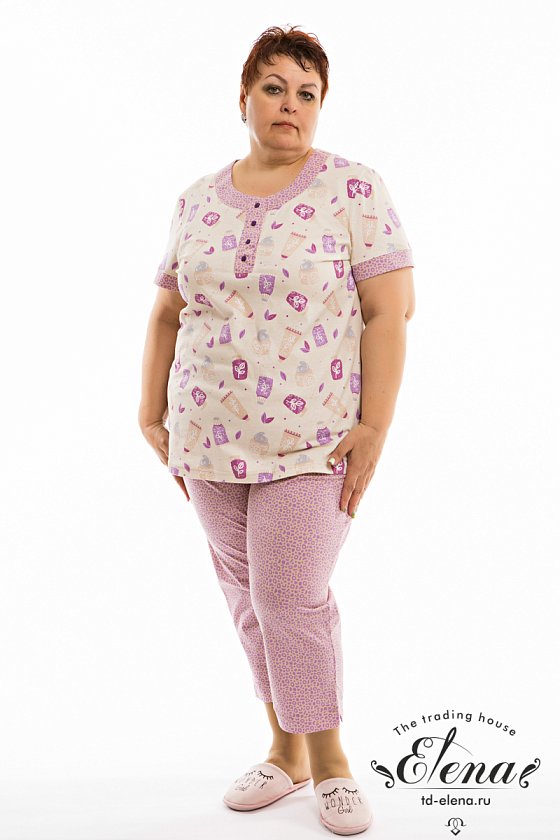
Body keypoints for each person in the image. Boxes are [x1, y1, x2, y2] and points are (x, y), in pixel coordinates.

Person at [138, 23, 415, 836]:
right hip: (206, 439)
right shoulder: (196, 199)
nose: (290, 104)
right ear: (244, 97)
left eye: (307, 92)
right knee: (249, 601)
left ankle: (330, 762)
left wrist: (375, 425)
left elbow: (389, 311)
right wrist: (150, 411)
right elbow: (166, 311)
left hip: (313, 442)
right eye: (274, 87)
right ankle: (285, 751)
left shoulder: (352, 188)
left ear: (321, 105)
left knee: (289, 595)